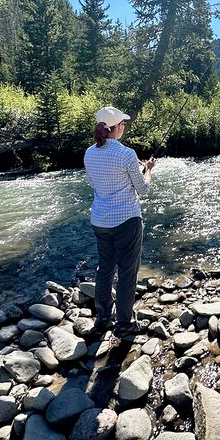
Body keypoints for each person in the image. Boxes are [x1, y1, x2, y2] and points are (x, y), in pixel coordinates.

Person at [84, 106, 155, 338]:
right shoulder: (127, 154)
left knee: (105, 269)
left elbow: (96, 184)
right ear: (116, 128)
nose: (125, 126)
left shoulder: (89, 153)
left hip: (100, 221)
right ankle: (124, 322)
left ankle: (103, 318)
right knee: (127, 272)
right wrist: (147, 170)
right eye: (123, 124)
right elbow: (143, 189)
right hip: (126, 220)